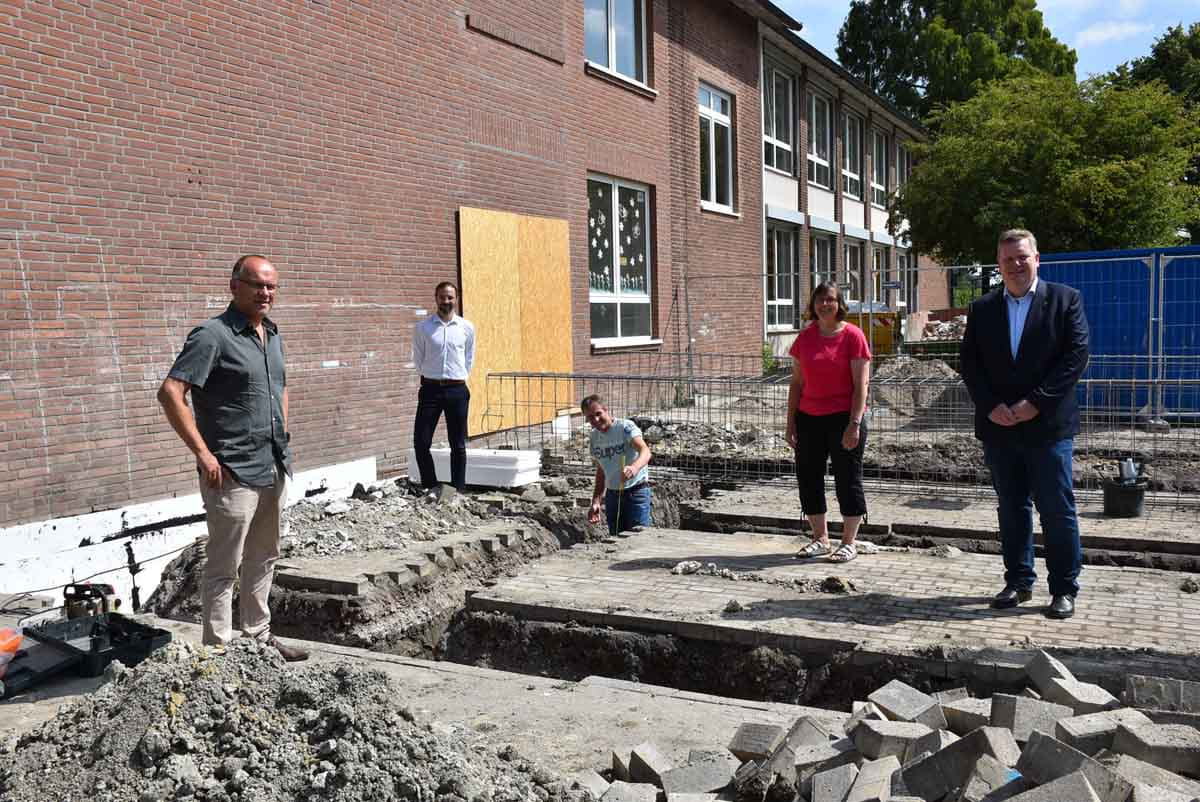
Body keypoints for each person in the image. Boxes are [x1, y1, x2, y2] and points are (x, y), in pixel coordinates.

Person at [157, 255, 308, 661]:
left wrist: (282, 433)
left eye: (272, 286)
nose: (266, 294)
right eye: (258, 285)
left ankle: (258, 638)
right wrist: (204, 454)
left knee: (264, 556)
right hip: (231, 470)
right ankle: (218, 653)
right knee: (225, 564)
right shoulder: (212, 336)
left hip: (272, 464)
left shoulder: (272, 335)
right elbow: (171, 393)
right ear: (234, 286)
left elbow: (281, 387)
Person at [961, 229, 1089, 619]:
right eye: (1007, 260)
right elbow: (970, 364)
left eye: (1022, 257)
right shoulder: (982, 308)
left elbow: (1075, 356)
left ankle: (1064, 588)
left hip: (1046, 426)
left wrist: (1036, 403)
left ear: (1037, 258)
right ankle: (1018, 581)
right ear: (998, 265)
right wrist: (991, 406)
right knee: (1012, 508)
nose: (1016, 265)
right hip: (999, 427)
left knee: (1056, 508)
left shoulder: (1065, 300)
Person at [788, 281, 872, 563]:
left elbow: (862, 386)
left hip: (844, 419)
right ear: (813, 304)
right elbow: (796, 384)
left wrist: (855, 423)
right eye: (820, 300)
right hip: (809, 418)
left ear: (840, 304)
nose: (825, 305)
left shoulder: (853, 336)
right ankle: (820, 538)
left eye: (831, 300)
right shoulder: (805, 338)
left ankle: (849, 542)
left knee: (847, 480)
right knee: (808, 478)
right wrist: (790, 424)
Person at [412, 281, 476, 494]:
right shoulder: (423, 328)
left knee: (457, 444)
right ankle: (430, 486)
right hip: (430, 390)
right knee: (421, 442)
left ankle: (457, 490)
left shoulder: (466, 328)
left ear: (456, 299)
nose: (446, 301)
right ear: (436, 298)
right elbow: (418, 359)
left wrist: (456, 376)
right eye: (442, 297)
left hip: (457, 390)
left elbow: (469, 358)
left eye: (450, 297)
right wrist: (433, 375)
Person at [583, 394, 653, 535]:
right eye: (590, 417)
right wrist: (596, 501)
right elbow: (601, 470)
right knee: (616, 540)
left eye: (598, 414)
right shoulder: (594, 437)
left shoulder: (625, 427)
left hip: (636, 492)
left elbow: (645, 451)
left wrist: (634, 467)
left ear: (606, 410)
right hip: (612, 497)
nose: (595, 420)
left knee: (638, 537)